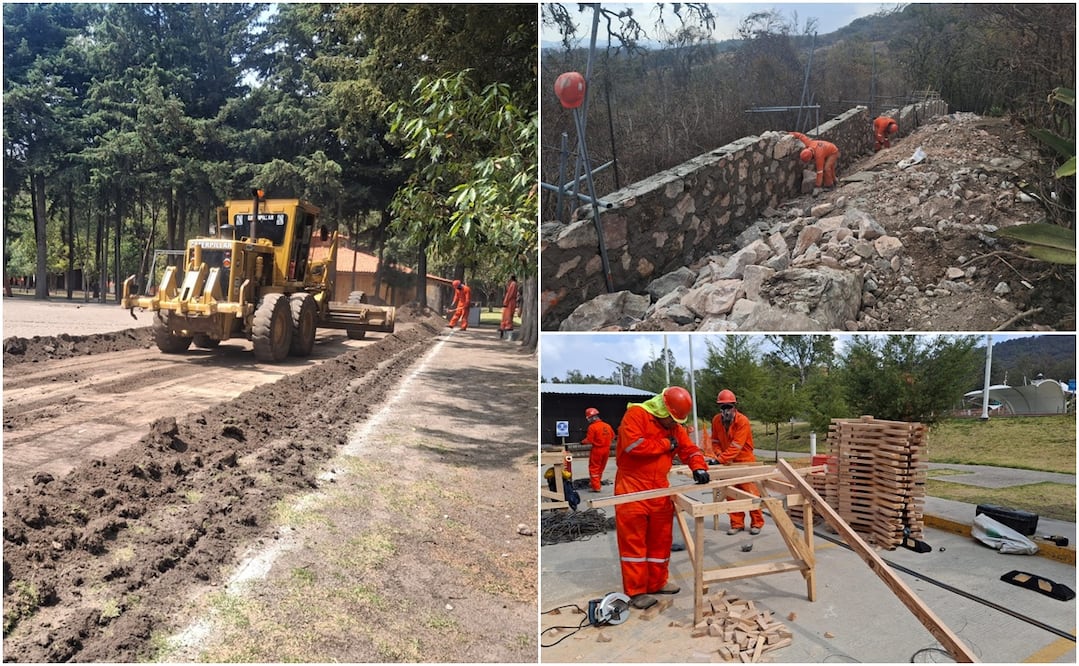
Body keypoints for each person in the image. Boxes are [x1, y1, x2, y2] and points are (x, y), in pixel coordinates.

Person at [615, 386, 710, 609]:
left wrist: (698, 467)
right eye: (672, 419)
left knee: (661, 540)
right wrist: (666, 444)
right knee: (634, 543)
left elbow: (689, 449)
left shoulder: (674, 426)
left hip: (659, 488)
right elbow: (633, 445)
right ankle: (636, 591)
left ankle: (657, 582)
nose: (674, 424)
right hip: (632, 488)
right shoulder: (636, 415)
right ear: (663, 409)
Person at [710, 389, 765, 536]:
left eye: (728, 407)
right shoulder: (716, 420)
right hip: (727, 463)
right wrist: (718, 454)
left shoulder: (742, 421)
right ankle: (737, 524)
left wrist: (719, 459)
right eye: (723, 407)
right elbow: (715, 441)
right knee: (731, 495)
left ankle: (757, 523)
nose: (725, 410)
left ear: (734, 406)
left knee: (751, 494)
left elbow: (736, 446)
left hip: (745, 461)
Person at [582, 407, 615, 492]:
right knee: (600, 468)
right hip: (606, 450)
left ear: (592, 417)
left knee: (594, 468)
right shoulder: (607, 425)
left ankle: (596, 487)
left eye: (588, 418)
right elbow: (613, 436)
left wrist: (582, 442)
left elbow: (589, 440)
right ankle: (596, 483)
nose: (588, 420)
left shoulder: (592, 427)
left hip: (597, 450)